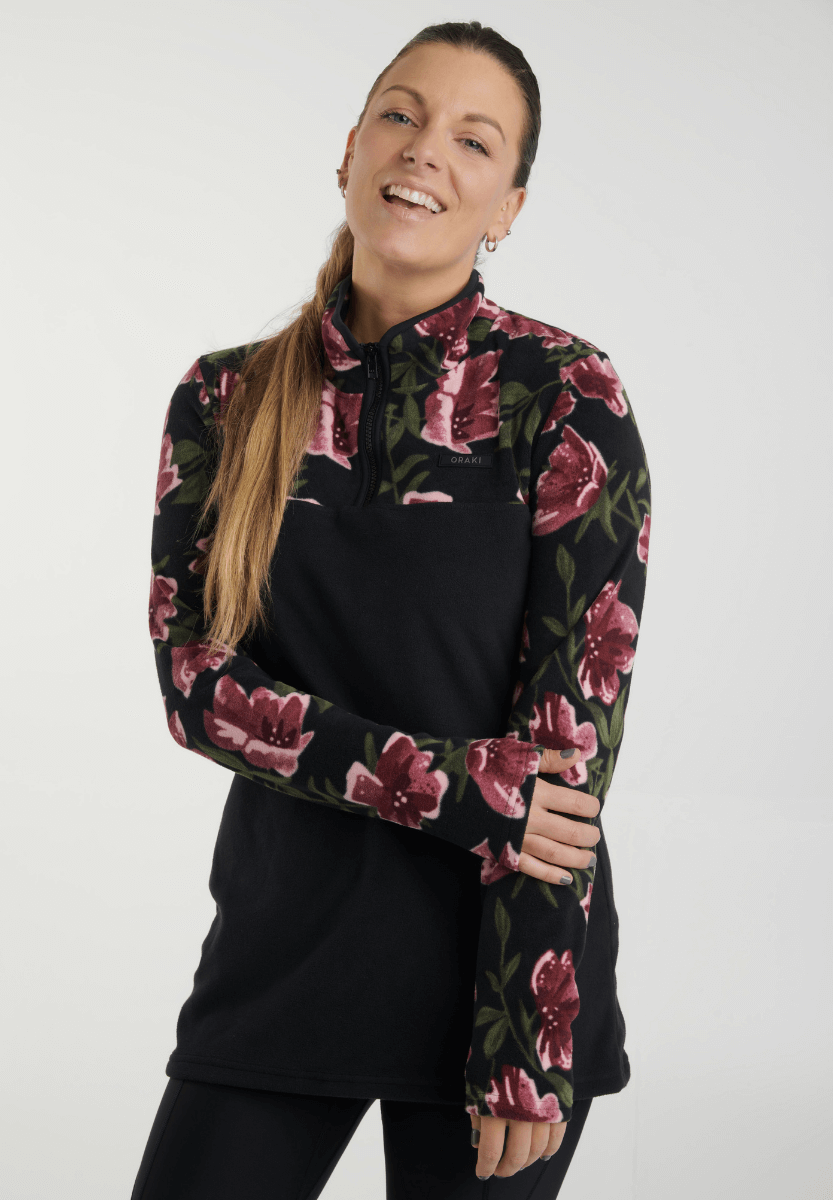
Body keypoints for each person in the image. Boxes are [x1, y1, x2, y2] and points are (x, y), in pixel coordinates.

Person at [135, 19, 651, 1199]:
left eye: (474, 139)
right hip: (283, 955)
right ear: (350, 149)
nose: (425, 150)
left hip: (500, 974)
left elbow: (564, 765)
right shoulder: (223, 399)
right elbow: (197, 689)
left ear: (508, 205)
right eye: (402, 116)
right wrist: (462, 788)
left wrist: (526, 1036)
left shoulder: (566, 393)